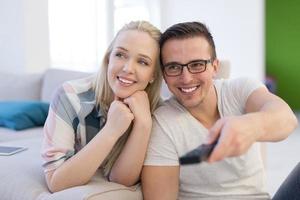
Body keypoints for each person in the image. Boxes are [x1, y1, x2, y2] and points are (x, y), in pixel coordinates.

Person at [141, 21, 298, 200]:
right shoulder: (162, 123)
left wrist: (250, 125)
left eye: (197, 64)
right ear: (164, 74)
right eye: (174, 67)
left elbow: (287, 120)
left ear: (214, 67)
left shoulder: (240, 90)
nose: (186, 78)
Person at [41, 20, 162, 192]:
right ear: (108, 59)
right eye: (120, 55)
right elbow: (56, 182)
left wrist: (143, 125)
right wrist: (112, 130)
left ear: (153, 76)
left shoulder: (159, 111)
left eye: (143, 62)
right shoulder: (69, 96)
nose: (128, 68)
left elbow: (121, 180)